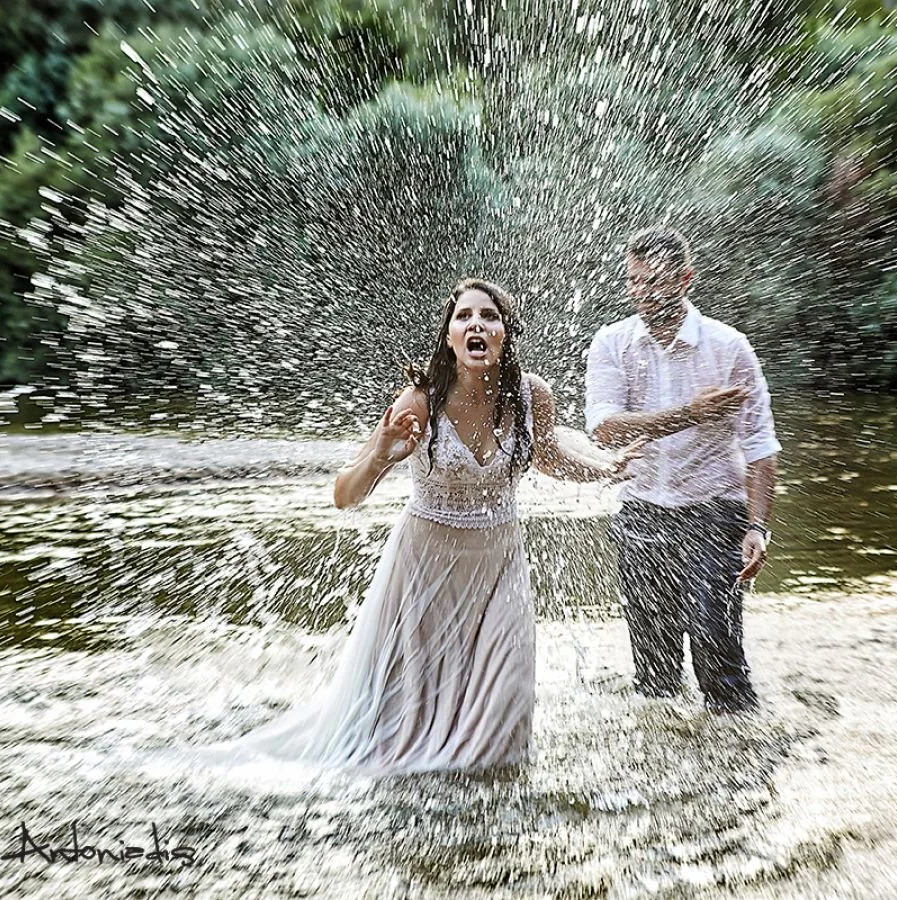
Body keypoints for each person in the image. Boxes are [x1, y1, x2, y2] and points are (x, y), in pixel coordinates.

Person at [222, 277, 643, 775]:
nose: (476, 324)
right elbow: (345, 495)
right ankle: (429, 790)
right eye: (464, 317)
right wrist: (380, 454)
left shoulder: (533, 395)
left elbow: (548, 457)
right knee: (405, 711)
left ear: (506, 332)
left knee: (509, 693)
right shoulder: (420, 401)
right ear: (449, 337)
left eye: (489, 316)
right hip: (424, 567)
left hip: (500, 564)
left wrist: (606, 471)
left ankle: (496, 803)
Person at [585, 226, 781, 714]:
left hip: (715, 511)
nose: (642, 293)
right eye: (634, 282)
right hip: (642, 510)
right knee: (654, 663)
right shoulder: (612, 344)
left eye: (654, 281)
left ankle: (742, 747)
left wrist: (757, 526)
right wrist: (689, 414)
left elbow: (760, 444)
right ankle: (668, 756)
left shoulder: (729, 347)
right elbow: (606, 430)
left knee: (715, 639)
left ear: (686, 279)